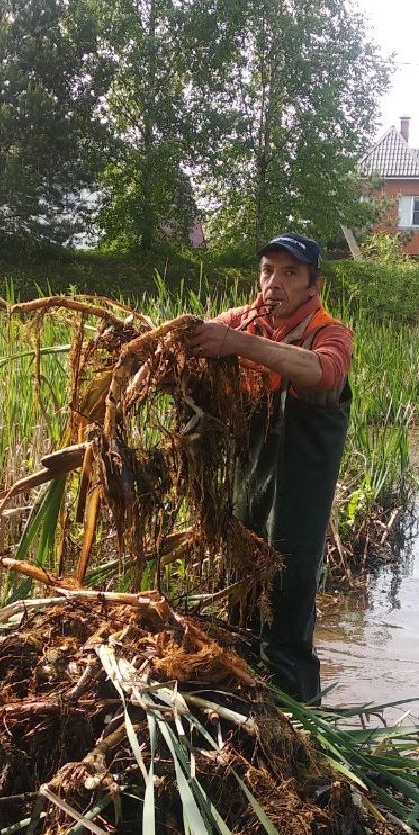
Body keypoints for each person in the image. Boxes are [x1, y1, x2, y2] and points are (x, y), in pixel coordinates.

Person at [183, 233, 352, 704]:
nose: (274, 283)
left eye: (290, 273)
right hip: (249, 483)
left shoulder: (329, 333)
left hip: (300, 494)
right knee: (240, 587)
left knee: (288, 598)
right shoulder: (244, 320)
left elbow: (325, 372)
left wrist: (236, 344)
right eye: (267, 270)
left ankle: (299, 719)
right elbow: (193, 337)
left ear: (313, 285)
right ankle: (242, 704)